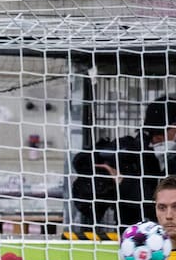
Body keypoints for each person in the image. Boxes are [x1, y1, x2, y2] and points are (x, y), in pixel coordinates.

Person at [71, 96, 176, 233]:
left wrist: (124, 183)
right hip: (132, 236)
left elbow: (158, 204)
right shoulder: (135, 154)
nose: (156, 139)